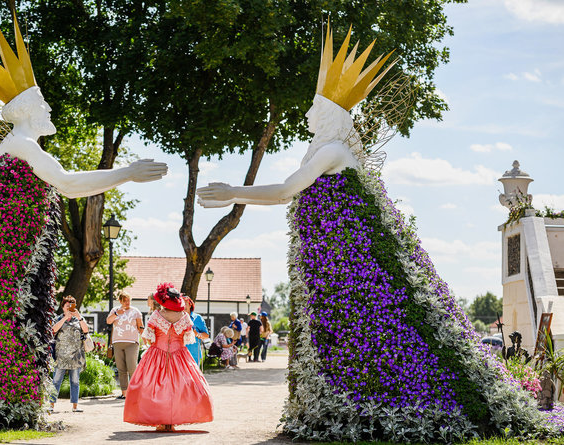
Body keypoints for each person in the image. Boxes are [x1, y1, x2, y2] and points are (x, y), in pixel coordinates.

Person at [196, 22, 554, 440]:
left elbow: (286, 191)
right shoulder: (329, 146)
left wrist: (232, 191)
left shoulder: (331, 149)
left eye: (316, 108)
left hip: (354, 263)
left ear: (331, 113)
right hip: (336, 261)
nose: (309, 114)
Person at [0, 13, 167, 426]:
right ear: (25, 110)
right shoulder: (22, 145)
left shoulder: (23, 145)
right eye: (43, 104)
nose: (49, 109)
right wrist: (126, 172)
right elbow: (68, 183)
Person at [123, 283, 213, 431]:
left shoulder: (157, 315)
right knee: (180, 387)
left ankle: (161, 421)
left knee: (155, 386)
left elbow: (149, 339)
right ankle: (172, 422)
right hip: (180, 354)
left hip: (157, 353)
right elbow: (187, 338)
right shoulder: (184, 317)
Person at [50, 296, 89, 412]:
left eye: (72, 306)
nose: (69, 309)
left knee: (75, 381)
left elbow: (86, 330)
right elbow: (53, 330)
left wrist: (79, 317)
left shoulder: (78, 319)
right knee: (56, 381)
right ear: (63, 307)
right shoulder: (58, 318)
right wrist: (64, 319)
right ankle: (51, 405)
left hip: (76, 356)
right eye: (67, 306)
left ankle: (75, 406)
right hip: (61, 356)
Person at [106, 293, 144, 399]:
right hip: (118, 342)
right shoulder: (115, 310)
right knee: (121, 369)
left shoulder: (135, 311)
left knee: (132, 367)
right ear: (120, 301)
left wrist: (145, 340)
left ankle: (135, 392)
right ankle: (124, 394)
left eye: (128, 300)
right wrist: (117, 314)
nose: (127, 303)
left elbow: (140, 326)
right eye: (125, 301)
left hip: (132, 342)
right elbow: (108, 321)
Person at [183, 296, 210, 366]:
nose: (183, 305)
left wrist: (196, 334)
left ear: (190, 304)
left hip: (194, 353)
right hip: (179, 354)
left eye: (185, 303)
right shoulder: (176, 318)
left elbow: (206, 335)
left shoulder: (198, 318)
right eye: (181, 303)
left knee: (193, 376)